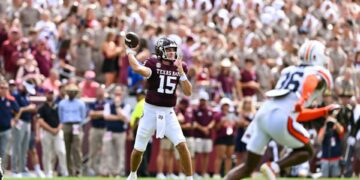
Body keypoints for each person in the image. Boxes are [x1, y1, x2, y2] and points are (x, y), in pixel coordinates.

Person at [225, 40, 340, 180]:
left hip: (263, 114)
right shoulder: (318, 72)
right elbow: (312, 79)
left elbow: (297, 114)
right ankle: (273, 167)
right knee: (307, 150)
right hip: (281, 117)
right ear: (317, 57)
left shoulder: (289, 70)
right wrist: (304, 98)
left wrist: (322, 111)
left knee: (247, 167)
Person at [126, 37, 193, 180]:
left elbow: (188, 92)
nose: (171, 53)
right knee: (139, 149)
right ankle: (132, 175)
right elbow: (137, 68)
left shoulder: (180, 66)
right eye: (168, 50)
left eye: (173, 50)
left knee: (182, 145)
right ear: (160, 51)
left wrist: (181, 73)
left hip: (168, 112)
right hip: (150, 111)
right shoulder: (153, 63)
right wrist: (129, 52)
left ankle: (189, 178)